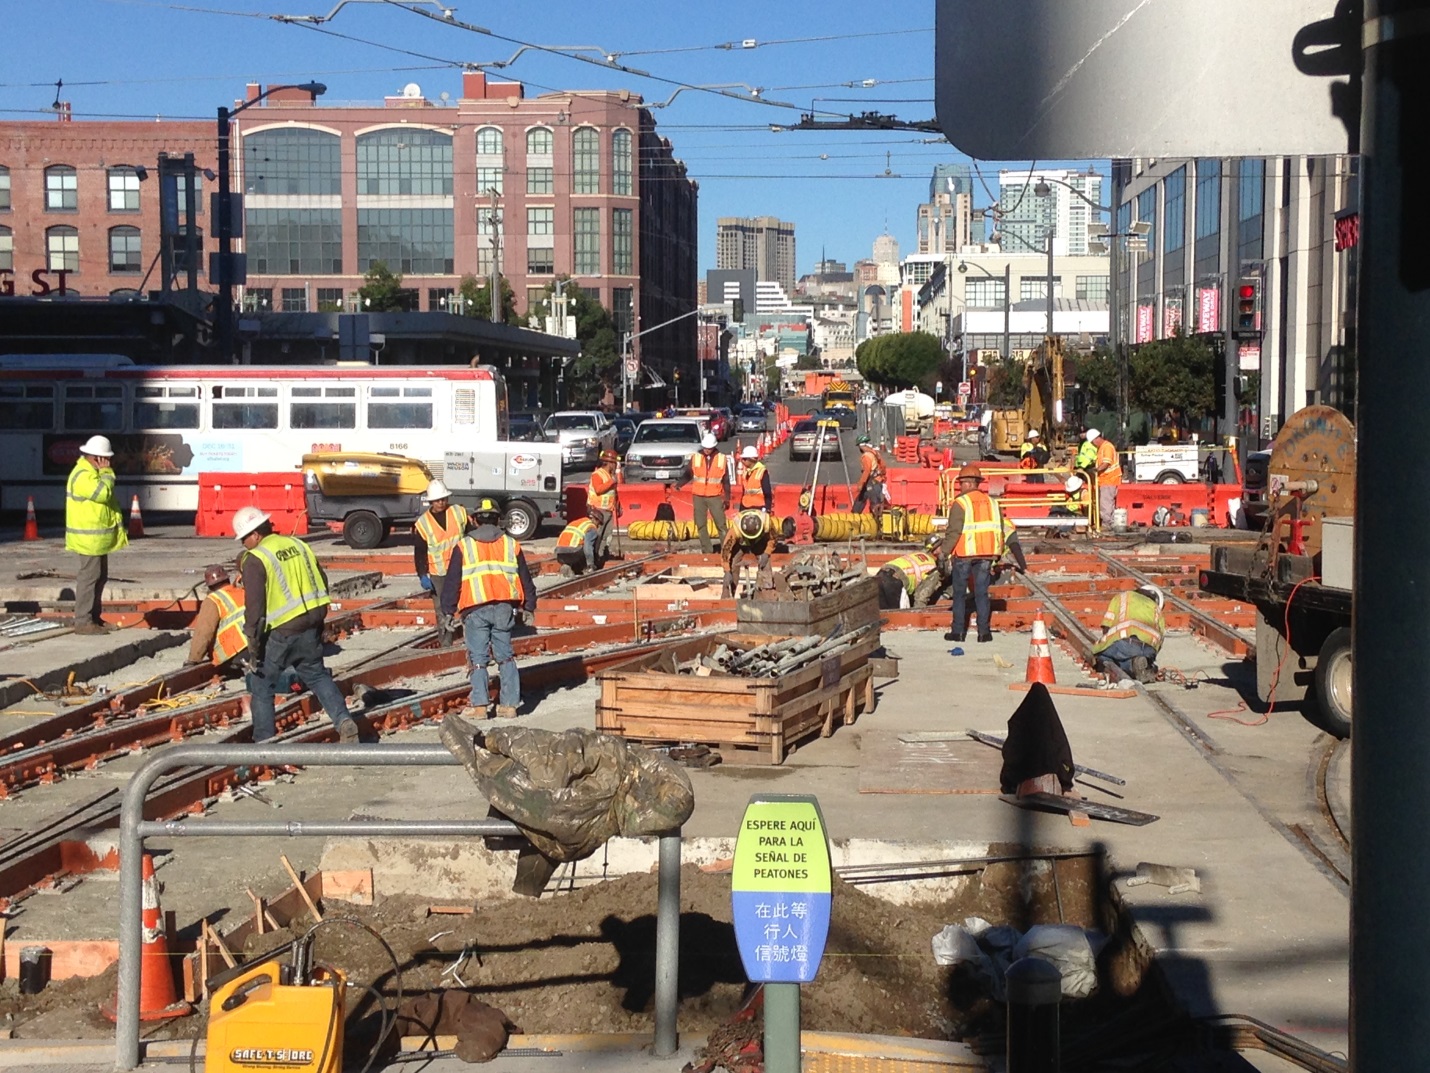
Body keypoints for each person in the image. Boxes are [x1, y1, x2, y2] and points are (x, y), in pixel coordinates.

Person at [233, 505, 361, 743]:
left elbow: (255, 607)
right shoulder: (299, 545)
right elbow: (321, 579)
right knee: (317, 675)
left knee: (261, 684)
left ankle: (264, 743)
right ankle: (344, 721)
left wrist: (252, 641)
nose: (243, 545)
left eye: (243, 539)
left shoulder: (256, 558)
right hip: (312, 622)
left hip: (283, 630)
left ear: (255, 534)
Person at [441, 498, 537, 720]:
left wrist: (448, 610)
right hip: (504, 607)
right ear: (497, 520)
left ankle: (481, 707)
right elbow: (525, 578)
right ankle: (510, 705)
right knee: (505, 656)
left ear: (475, 520)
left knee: (478, 658)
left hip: (475, 609)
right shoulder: (511, 544)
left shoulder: (464, 545)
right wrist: (529, 606)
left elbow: (453, 581)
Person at [935, 463, 1028, 643]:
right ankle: (984, 633)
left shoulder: (960, 503)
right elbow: (999, 530)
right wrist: (997, 555)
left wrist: (943, 552)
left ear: (969, 483)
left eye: (961, 483)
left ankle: (958, 632)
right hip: (986, 555)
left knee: (960, 593)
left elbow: (954, 532)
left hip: (965, 554)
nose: (959, 487)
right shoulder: (993, 503)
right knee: (982, 593)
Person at [65, 435, 128, 634]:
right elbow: (103, 494)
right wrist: (107, 473)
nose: (108, 463)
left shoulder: (92, 473)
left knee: (99, 577)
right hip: (88, 539)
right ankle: (83, 621)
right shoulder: (83, 475)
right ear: (96, 458)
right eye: (105, 459)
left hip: (97, 539)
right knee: (89, 578)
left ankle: (93, 618)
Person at [413, 478, 469, 636]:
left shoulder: (459, 512)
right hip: (439, 574)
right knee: (442, 611)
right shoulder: (423, 523)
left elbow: (471, 536)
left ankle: (469, 639)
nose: (441, 503)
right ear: (431, 501)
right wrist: (422, 574)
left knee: (467, 604)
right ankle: (446, 643)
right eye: (437, 500)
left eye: (443, 499)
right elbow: (420, 551)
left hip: (462, 568)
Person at [1091, 584, 1166, 683]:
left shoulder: (1122, 597)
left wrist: (1101, 646)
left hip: (1126, 642)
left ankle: (1132, 665)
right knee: (1130, 657)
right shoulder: (1157, 610)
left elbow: (1106, 627)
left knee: (1102, 656)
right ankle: (1142, 665)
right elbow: (1160, 640)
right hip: (1149, 650)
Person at [185, 563, 248, 668]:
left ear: (210, 586)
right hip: (257, 647)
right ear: (227, 580)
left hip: (236, 653)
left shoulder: (213, 600)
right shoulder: (242, 592)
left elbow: (204, 632)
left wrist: (193, 659)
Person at [720, 510, 791, 598]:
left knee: (766, 565)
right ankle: (726, 598)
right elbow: (726, 550)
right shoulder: (735, 529)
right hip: (741, 543)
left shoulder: (767, 522)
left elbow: (773, 539)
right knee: (733, 566)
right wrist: (727, 570)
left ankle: (766, 595)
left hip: (759, 542)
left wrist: (766, 553)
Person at [681, 434, 729, 555]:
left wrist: (727, 498)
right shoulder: (696, 457)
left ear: (714, 447)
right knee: (701, 524)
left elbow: (726, 481)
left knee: (721, 525)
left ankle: (726, 551)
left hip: (715, 496)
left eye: (709, 448)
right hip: (698, 495)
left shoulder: (721, 459)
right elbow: (688, 474)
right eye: (705, 448)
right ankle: (707, 551)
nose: (706, 450)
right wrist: (679, 484)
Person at [876, 536, 944, 610]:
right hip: (895, 580)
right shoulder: (932, 567)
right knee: (897, 616)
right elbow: (921, 597)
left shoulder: (917, 554)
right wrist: (918, 616)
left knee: (882, 614)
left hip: (881, 573)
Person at [586, 450, 620, 562]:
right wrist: (612, 481)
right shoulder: (598, 474)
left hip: (608, 510)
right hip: (597, 511)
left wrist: (618, 505)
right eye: (614, 463)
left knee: (607, 536)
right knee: (597, 535)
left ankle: (601, 556)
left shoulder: (610, 476)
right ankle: (593, 558)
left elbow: (614, 493)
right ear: (609, 463)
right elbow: (598, 489)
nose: (615, 466)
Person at [851, 436, 888, 525]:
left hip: (871, 482)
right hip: (877, 481)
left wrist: (861, 483)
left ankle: (854, 522)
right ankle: (854, 520)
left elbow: (866, 471)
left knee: (874, 505)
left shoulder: (866, 456)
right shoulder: (875, 453)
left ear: (861, 446)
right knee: (861, 501)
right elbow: (883, 467)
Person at [736, 445, 772, 512]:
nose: (742, 461)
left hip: (758, 507)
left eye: (744, 459)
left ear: (751, 459)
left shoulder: (762, 472)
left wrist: (767, 508)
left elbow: (767, 492)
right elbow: (745, 492)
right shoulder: (746, 472)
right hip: (746, 506)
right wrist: (741, 509)